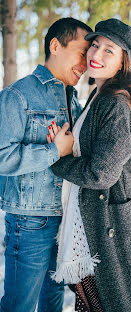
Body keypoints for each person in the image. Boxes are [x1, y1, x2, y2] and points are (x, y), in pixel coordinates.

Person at [47, 18, 131, 311]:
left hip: (108, 225)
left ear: (122, 63)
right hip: (92, 220)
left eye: (109, 50)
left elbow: (101, 173)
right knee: (97, 302)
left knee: (119, 302)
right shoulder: (97, 96)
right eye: (95, 45)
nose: (95, 55)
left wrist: (59, 159)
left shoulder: (115, 104)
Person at [0, 17, 92, 312]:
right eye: (82, 52)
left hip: (65, 221)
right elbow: (3, 157)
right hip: (30, 224)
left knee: (53, 305)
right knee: (19, 306)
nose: (87, 62)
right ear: (56, 45)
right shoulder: (18, 95)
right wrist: (53, 150)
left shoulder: (73, 100)